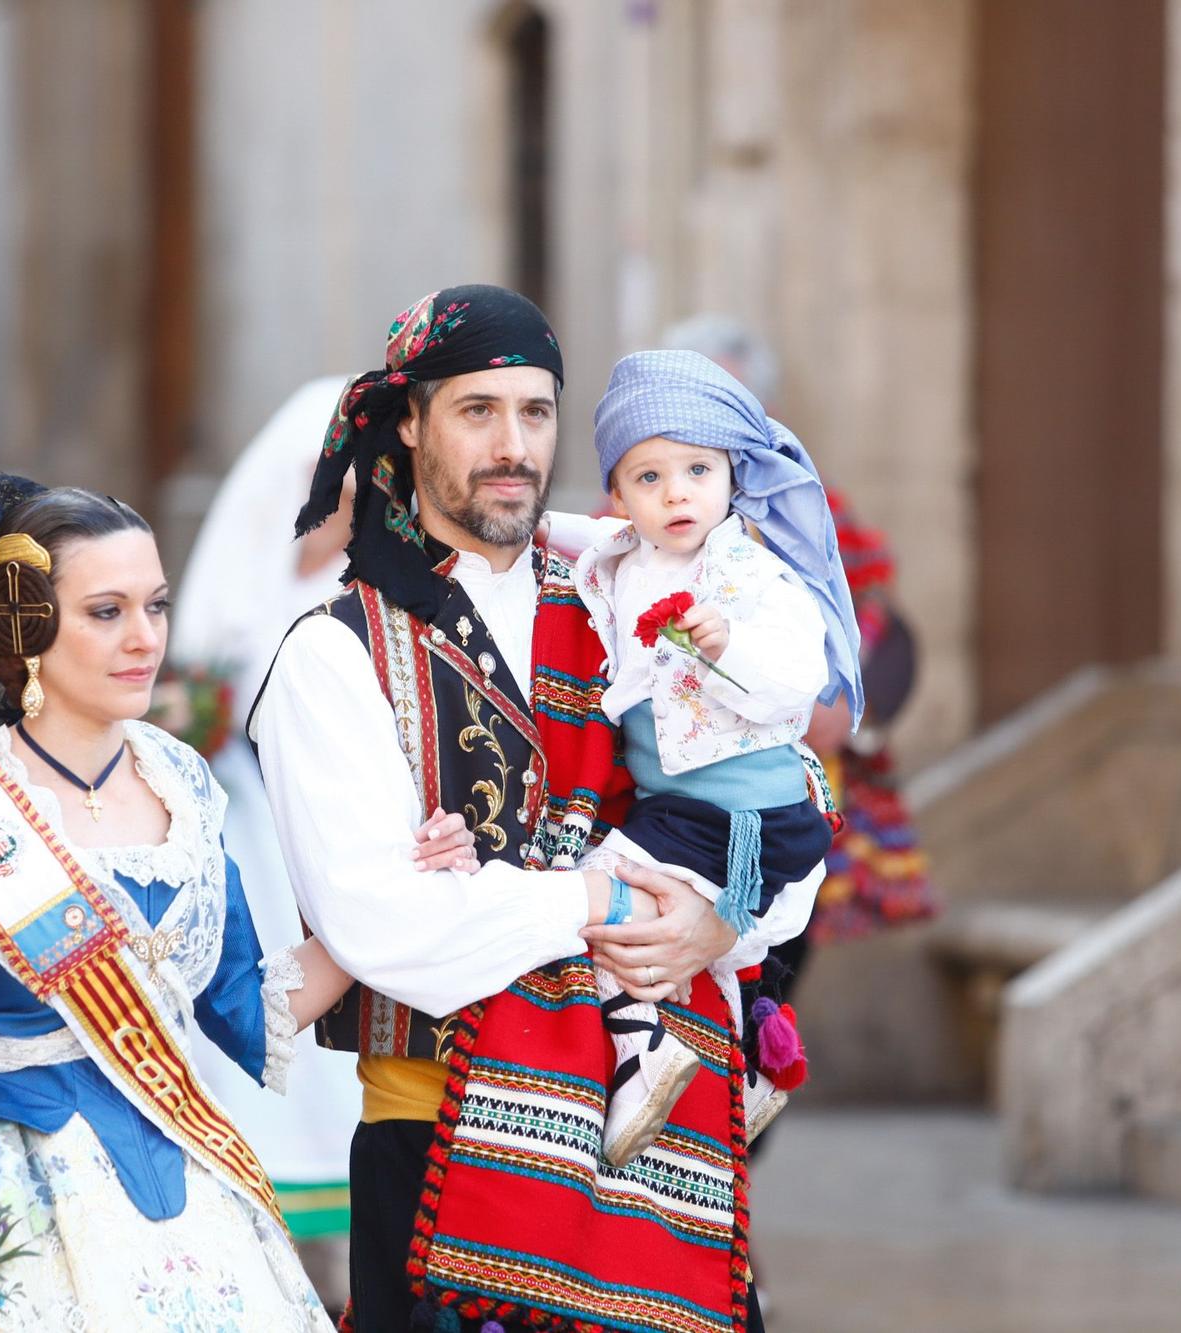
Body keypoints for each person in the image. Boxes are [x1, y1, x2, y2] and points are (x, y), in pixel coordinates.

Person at [0, 479, 470, 1332]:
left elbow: (246, 1012)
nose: (145, 638)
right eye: (107, 611)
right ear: (25, 629)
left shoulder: (185, 786)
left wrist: (402, 887)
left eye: (155, 605)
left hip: (182, 1188)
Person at [253, 285, 787, 1333]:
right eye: (476, 410)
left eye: (534, 412)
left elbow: (768, 796)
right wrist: (607, 896)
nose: (511, 445)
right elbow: (387, 928)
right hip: (441, 1158)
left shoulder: (625, 586)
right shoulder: (334, 652)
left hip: (661, 1141)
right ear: (407, 422)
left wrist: (723, 916)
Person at [572, 349, 859, 1163]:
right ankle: (750, 1075)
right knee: (714, 951)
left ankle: (641, 1053)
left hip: (738, 813)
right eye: (648, 477)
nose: (676, 495)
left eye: (697, 469)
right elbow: (566, 533)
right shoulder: (627, 554)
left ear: (732, 474)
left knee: (594, 901)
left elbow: (797, 684)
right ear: (619, 493)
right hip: (686, 808)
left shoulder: (753, 575)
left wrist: (725, 644)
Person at [659, 315, 935, 991]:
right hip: (681, 788)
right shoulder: (646, 503)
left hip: (797, 784)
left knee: (773, 972)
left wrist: (842, 706)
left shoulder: (804, 500)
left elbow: (879, 622)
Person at [169, 377, 364, 1270]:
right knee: (253, 1022)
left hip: (335, 811)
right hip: (249, 811)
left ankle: (352, 1262)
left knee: (336, 1047)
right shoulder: (256, 561)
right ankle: (269, 1258)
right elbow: (210, 664)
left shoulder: (373, 564)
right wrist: (196, 717)